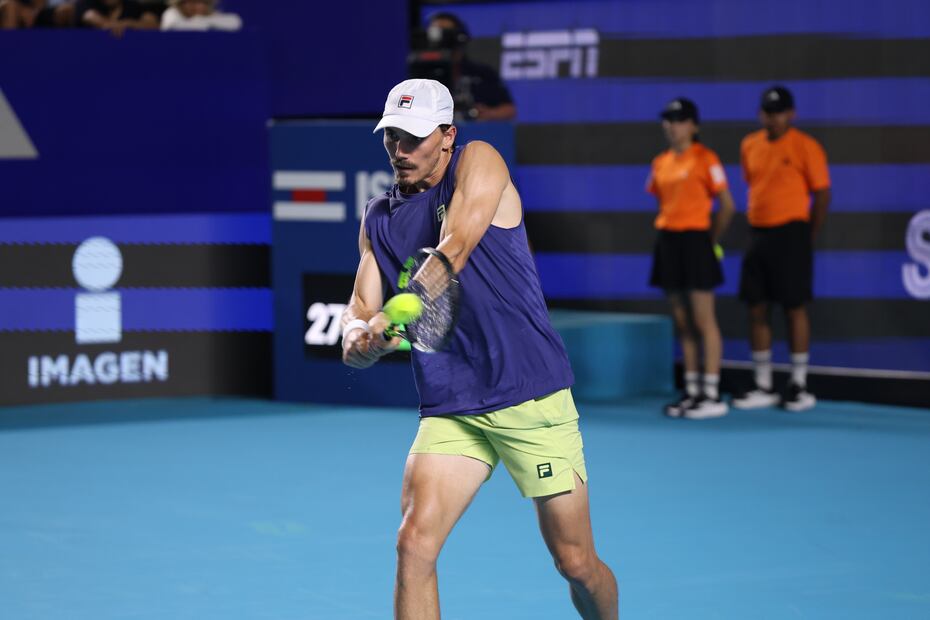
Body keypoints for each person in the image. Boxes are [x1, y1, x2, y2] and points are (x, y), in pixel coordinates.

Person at [341, 78, 617, 619]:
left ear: (448, 135)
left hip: (528, 392)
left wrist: (407, 305)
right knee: (414, 544)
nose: (400, 149)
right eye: (391, 136)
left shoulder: (480, 161)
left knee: (576, 562)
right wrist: (360, 339)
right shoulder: (378, 216)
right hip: (453, 403)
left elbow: (458, 243)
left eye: (414, 137)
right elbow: (357, 304)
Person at [733, 85, 831, 412]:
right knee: (757, 307)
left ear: (791, 113)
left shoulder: (806, 146)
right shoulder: (750, 144)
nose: (772, 118)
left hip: (793, 234)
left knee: (794, 306)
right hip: (759, 234)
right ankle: (763, 383)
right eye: (767, 112)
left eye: (779, 112)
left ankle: (798, 383)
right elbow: (754, 184)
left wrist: (807, 233)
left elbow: (822, 193)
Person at [647, 98, 735, 419]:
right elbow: (662, 201)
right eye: (669, 119)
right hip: (670, 242)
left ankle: (711, 393)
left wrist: (709, 241)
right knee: (683, 322)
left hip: (698, 241)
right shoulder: (660, 163)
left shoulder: (706, 159)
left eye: (680, 119)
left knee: (703, 320)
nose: (672, 125)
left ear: (694, 126)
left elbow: (727, 206)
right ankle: (693, 389)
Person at [410, 12, 516, 122]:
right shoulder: (417, 75)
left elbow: (509, 110)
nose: (442, 43)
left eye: (447, 36)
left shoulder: (481, 73)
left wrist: (487, 113)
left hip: (473, 132)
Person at [76, 0, 158, 35]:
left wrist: (129, 23)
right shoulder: (86, 3)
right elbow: (90, 16)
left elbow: (153, 24)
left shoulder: (132, 5)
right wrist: (112, 25)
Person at [160, 0, 240, 31]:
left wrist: (202, 20)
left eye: (199, 2)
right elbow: (173, 26)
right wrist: (200, 22)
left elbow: (235, 22)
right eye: (190, 2)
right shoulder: (171, 13)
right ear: (180, 3)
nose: (195, 6)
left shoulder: (211, 16)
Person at [0, 0, 74, 28]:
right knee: (10, 7)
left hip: (48, 10)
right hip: (21, 9)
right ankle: (9, 51)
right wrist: (21, 10)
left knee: (67, 11)